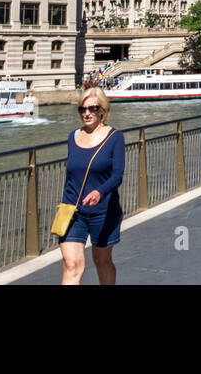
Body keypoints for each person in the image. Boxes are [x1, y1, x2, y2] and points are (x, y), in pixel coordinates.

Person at [59, 88, 124, 285]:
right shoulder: (73, 136)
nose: (87, 113)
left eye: (92, 108)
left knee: (101, 261)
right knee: (72, 265)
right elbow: (70, 176)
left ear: (102, 110)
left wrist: (100, 192)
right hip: (73, 211)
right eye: (82, 109)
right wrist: (64, 207)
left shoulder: (115, 137)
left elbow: (117, 175)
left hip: (103, 211)